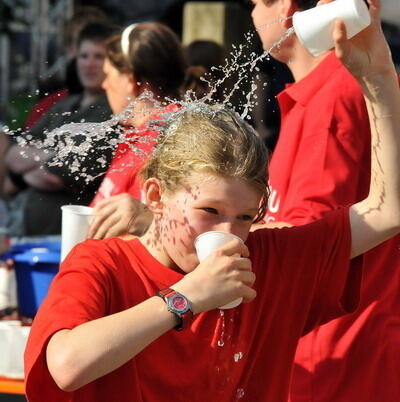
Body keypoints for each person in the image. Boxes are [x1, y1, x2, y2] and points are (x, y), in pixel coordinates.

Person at [24, 3, 400, 401]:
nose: (230, 234)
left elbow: (389, 210)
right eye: (209, 211)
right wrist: (187, 298)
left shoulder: (264, 259)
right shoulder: (104, 265)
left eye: (245, 216)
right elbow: (64, 365)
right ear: (154, 195)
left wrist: (377, 75)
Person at [251, 0, 400, 401]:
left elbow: (307, 239)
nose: (251, 16)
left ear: (282, 5)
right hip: (337, 347)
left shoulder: (336, 95)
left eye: (253, 4)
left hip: (336, 357)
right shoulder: (325, 90)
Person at [4, 21, 117, 237]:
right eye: (84, 56)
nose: (89, 64)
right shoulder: (64, 105)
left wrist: (30, 169)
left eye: (98, 57)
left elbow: (55, 177)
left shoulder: (112, 111)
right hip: (28, 228)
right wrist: (54, 157)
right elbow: (12, 155)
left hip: (68, 234)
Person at [88, 22, 187, 239]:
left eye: (108, 75)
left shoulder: (171, 138)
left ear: (131, 79)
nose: (104, 85)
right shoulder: (139, 133)